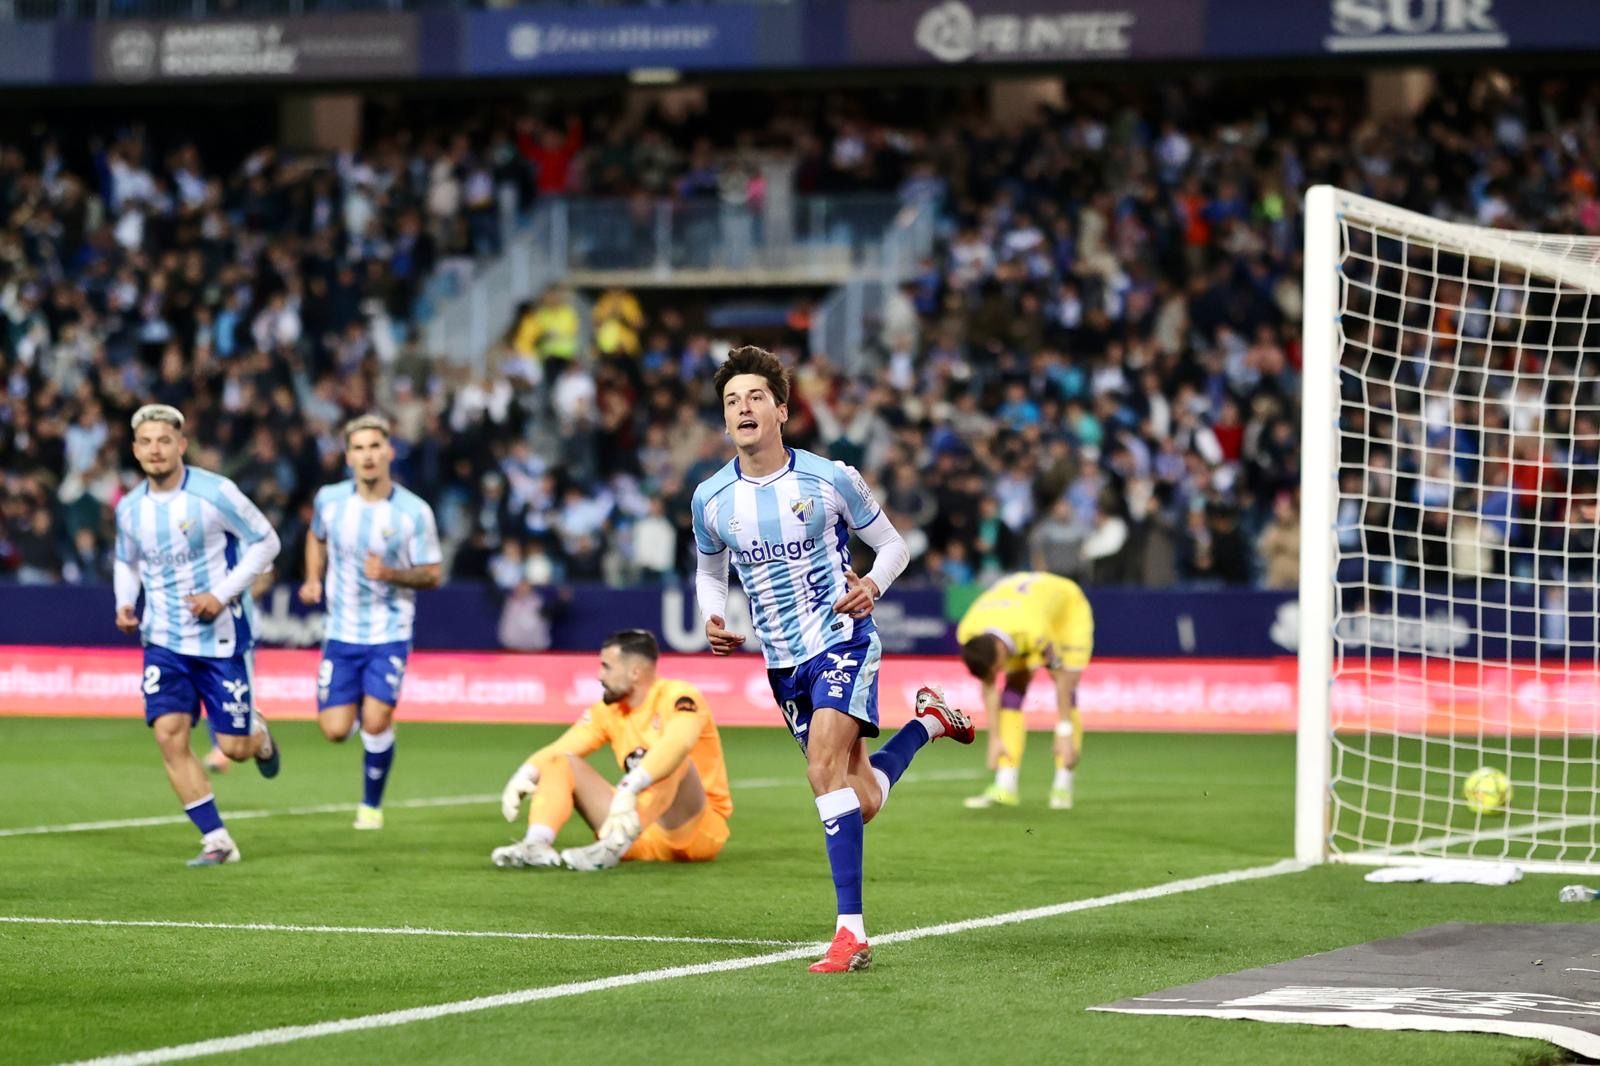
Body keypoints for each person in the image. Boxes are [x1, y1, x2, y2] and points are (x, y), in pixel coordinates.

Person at [691, 345, 975, 975]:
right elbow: (711, 573)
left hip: (842, 638)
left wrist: (871, 586)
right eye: (732, 400)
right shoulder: (710, 499)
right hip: (782, 662)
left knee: (822, 772)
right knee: (860, 796)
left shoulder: (829, 478)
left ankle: (852, 934)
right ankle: (929, 723)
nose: (743, 407)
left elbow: (893, 546)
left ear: (782, 410)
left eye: (755, 397)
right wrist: (712, 616)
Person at [112, 404, 282, 867]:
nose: (155, 449)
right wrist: (125, 603)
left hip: (220, 640)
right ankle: (217, 841)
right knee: (170, 736)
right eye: (146, 442)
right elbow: (126, 561)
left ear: (181, 445)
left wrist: (222, 594)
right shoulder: (130, 508)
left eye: (164, 440)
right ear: (135, 449)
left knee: (234, 748)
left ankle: (259, 734)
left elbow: (267, 541)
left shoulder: (215, 492)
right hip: (163, 641)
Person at [299, 415, 442, 830]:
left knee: (377, 721)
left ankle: (370, 805)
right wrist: (312, 578)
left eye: (375, 446)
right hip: (340, 632)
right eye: (359, 448)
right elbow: (316, 535)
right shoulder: (330, 499)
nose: (367, 456)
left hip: (389, 632)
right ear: (347, 457)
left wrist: (391, 574)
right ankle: (366, 702)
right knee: (334, 730)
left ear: (389, 452)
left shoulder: (414, 511)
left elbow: (432, 573)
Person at [494, 629, 731, 872]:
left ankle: (611, 847)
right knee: (560, 762)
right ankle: (536, 845)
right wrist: (524, 775)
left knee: (676, 762)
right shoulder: (608, 711)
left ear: (635, 672)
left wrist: (629, 787)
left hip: (694, 831)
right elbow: (561, 748)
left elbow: (679, 743)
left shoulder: (679, 696)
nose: (600, 675)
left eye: (607, 667)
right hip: (635, 829)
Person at [955, 571, 1094, 811]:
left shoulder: (1033, 631)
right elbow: (989, 685)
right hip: (1019, 609)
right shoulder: (968, 632)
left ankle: (1063, 782)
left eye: (998, 666)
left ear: (1000, 650)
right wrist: (995, 739)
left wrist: (1064, 731)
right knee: (1013, 690)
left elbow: (1059, 677)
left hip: (1067, 610)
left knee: (1068, 690)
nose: (998, 671)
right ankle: (1005, 785)